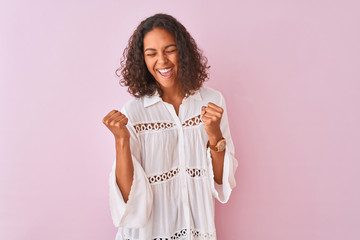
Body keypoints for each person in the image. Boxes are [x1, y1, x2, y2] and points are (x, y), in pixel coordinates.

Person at [102, 13, 238, 240]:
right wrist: (121, 140)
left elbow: (221, 183)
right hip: (149, 233)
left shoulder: (212, 102)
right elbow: (128, 199)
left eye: (170, 50)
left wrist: (214, 134)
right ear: (142, 60)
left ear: (182, 51)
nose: (162, 61)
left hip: (196, 229)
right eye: (151, 53)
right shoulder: (134, 112)